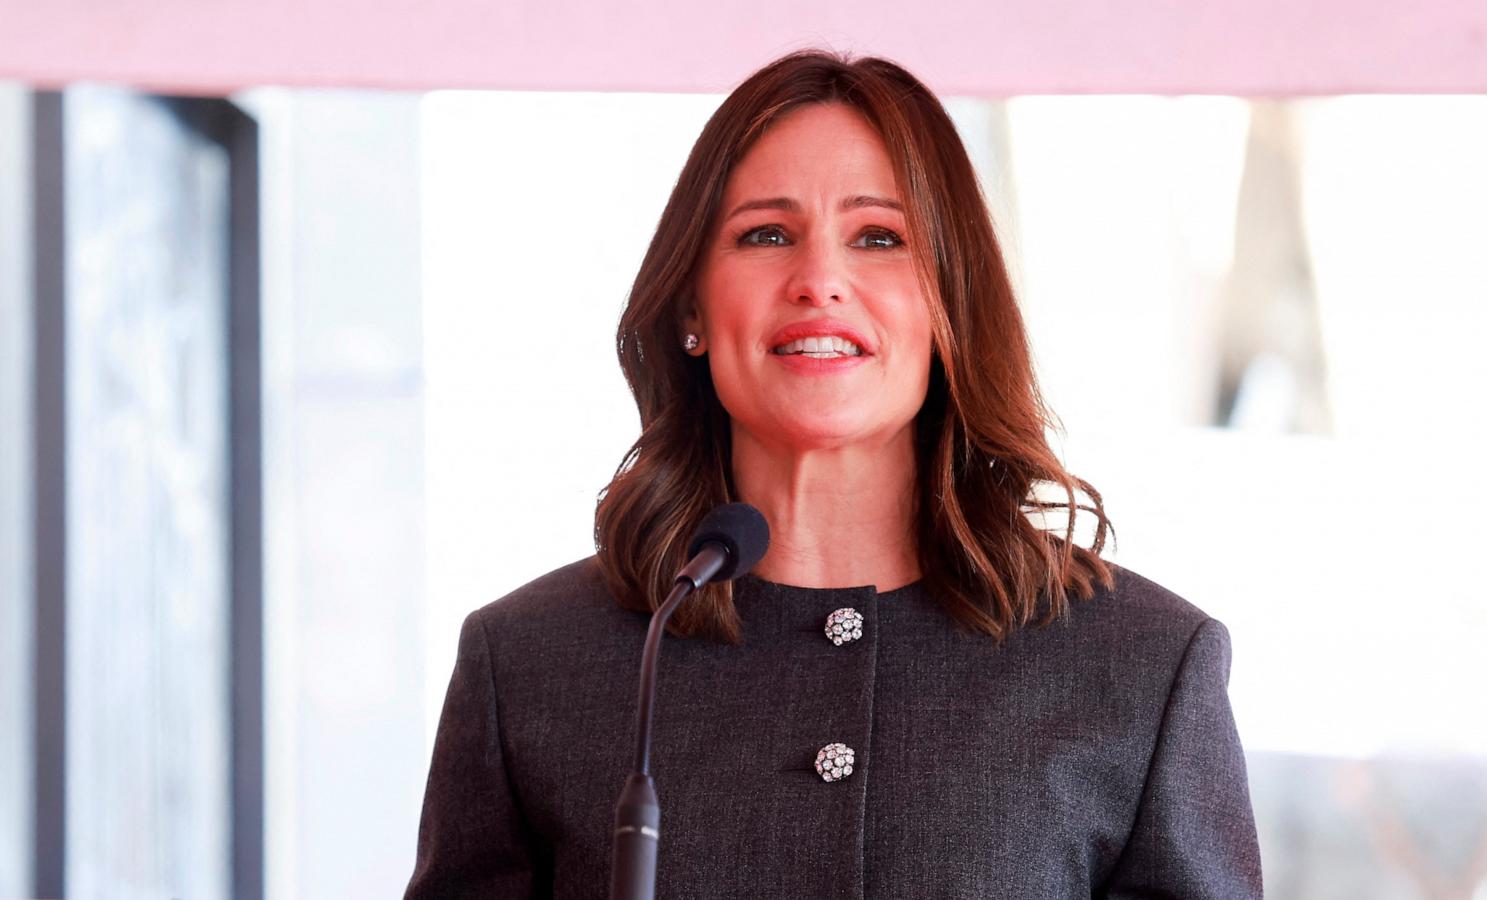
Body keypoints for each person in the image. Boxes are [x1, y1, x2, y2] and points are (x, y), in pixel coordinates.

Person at [405, 50, 1263, 899]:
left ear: (948, 307)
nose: (819, 281)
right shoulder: (526, 664)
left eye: (879, 238)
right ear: (693, 309)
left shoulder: (1144, 667)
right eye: (766, 235)